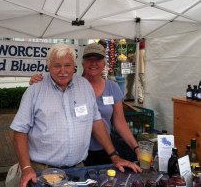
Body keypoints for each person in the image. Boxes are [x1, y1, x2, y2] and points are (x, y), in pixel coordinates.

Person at [11, 43, 141, 187]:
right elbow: (19, 131)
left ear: (74, 65)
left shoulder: (85, 86)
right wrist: (26, 168)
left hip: (78, 170)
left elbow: (96, 122)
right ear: (48, 65)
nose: (63, 71)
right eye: (57, 65)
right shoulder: (34, 91)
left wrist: (114, 156)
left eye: (67, 65)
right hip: (43, 171)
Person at [138, 39, 145, 104]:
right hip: (144, 71)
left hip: (138, 71)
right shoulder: (146, 52)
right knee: (145, 85)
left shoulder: (137, 52)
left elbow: (134, 61)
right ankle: (146, 99)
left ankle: (141, 99)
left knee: (139, 86)